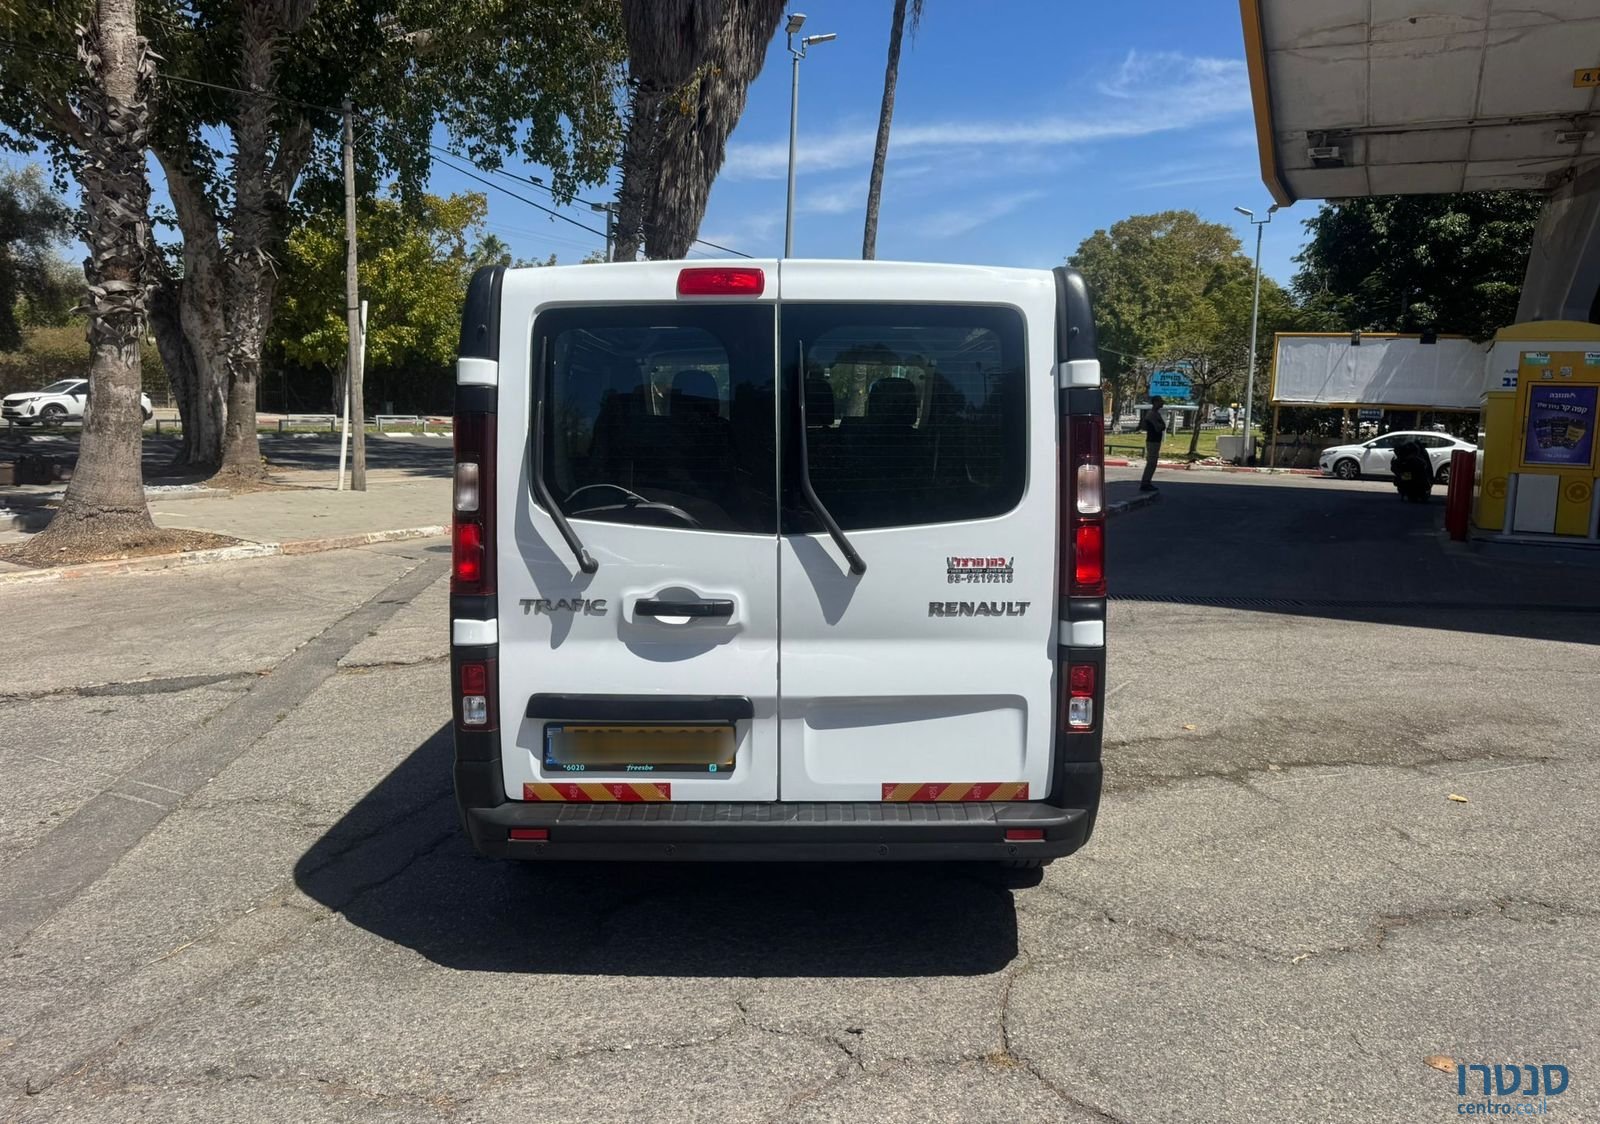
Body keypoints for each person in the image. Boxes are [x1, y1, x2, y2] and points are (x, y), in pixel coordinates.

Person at [1137, 396, 1167, 492]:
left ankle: (1147, 482)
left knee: (1153, 462)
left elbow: (1162, 426)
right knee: (1151, 463)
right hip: (1152, 441)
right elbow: (1159, 427)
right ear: (1155, 402)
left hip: (1155, 440)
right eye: (1160, 401)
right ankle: (1145, 483)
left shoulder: (1156, 413)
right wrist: (1162, 425)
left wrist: (1162, 426)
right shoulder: (1152, 414)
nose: (1162, 403)